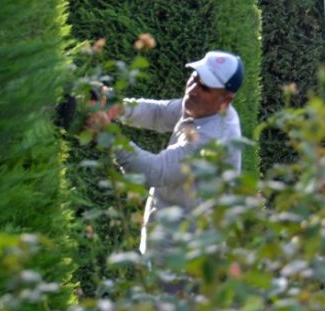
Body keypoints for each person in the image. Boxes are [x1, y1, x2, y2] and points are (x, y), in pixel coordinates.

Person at [87, 51, 244, 255]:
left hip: (187, 256)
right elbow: (159, 113)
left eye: (205, 87)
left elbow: (154, 172)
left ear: (226, 100)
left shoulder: (215, 138)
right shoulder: (201, 107)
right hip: (163, 240)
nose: (193, 90)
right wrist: (117, 107)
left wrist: (108, 134)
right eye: (194, 79)